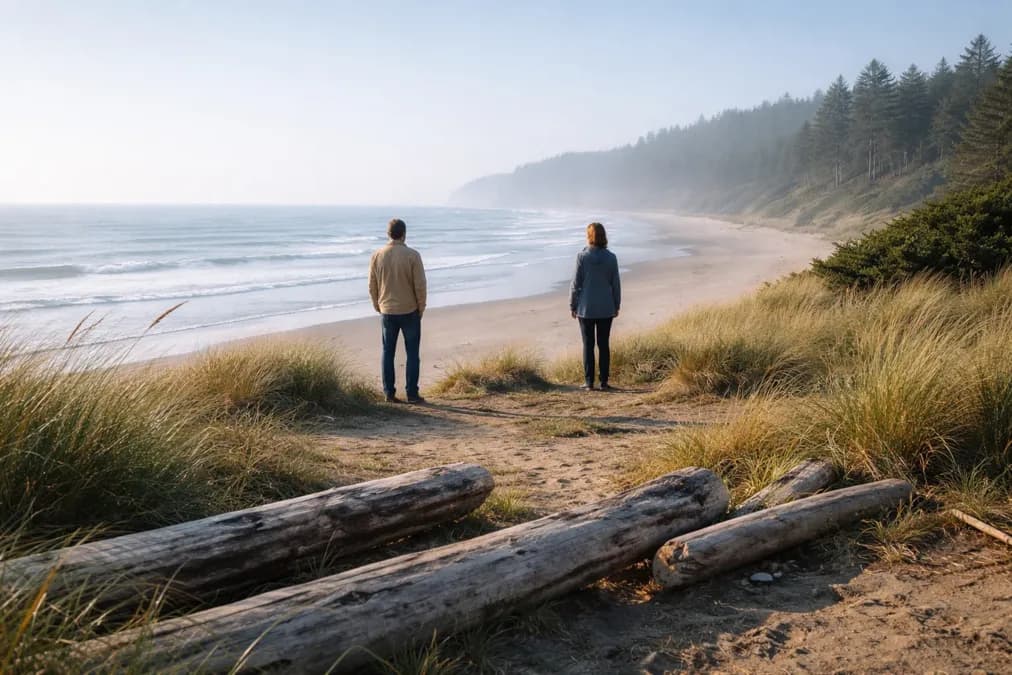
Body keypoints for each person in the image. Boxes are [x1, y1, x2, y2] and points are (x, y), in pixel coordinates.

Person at [368, 218, 427, 403]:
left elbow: (372, 285)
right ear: (404, 234)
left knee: (387, 353)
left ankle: (389, 393)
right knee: (412, 354)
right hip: (409, 310)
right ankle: (411, 393)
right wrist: (421, 307)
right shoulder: (412, 255)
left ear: (388, 234)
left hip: (387, 310)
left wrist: (377, 305)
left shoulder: (377, 255)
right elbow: (420, 286)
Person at [570, 222, 621, 391]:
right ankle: (604, 382)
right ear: (603, 236)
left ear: (589, 236)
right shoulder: (611, 257)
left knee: (588, 345)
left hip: (586, 308)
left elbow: (576, 283)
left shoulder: (582, 257)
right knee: (603, 344)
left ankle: (589, 382)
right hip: (606, 307)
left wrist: (573, 304)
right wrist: (616, 304)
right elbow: (616, 284)